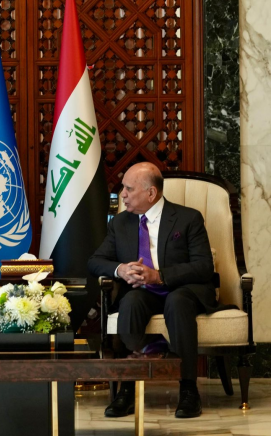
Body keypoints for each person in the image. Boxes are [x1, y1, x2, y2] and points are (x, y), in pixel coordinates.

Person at [88, 162, 217, 419]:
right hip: (144, 293)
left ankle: (188, 389)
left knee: (177, 302)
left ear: (151, 193)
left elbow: (204, 266)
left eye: (128, 188)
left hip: (182, 289)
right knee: (131, 301)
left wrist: (159, 276)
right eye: (123, 188)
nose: (122, 195)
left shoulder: (188, 218)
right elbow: (95, 261)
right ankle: (127, 388)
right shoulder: (120, 223)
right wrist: (122, 269)